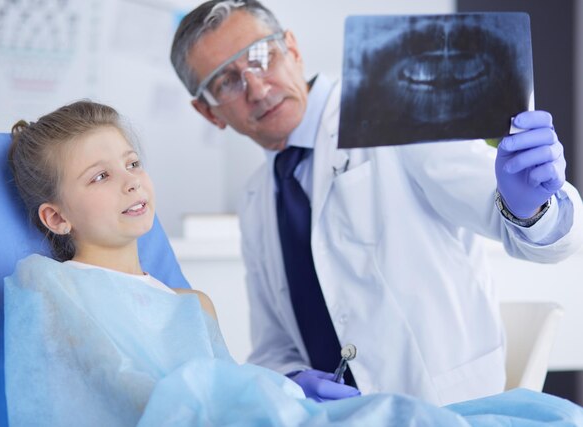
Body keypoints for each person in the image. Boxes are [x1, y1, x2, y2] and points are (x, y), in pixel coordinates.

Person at [4, 100, 583, 426]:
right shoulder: (51, 290)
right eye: (101, 176)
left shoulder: (191, 303)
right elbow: (100, 402)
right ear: (57, 218)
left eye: (132, 163)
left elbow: (228, 392)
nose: (131, 181)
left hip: (404, 387)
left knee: (530, 415)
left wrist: (529, 204)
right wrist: (277, 387)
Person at [169, 0, 583, 405]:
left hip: (444, 407)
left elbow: (528, 233)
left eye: (262, 56)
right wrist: (291, 383)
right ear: (209, 112)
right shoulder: (256, 198)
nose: (257, 89)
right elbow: (274, 345)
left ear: (292, 48)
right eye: (227, 81)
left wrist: (532, 205)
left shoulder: (397, 110)